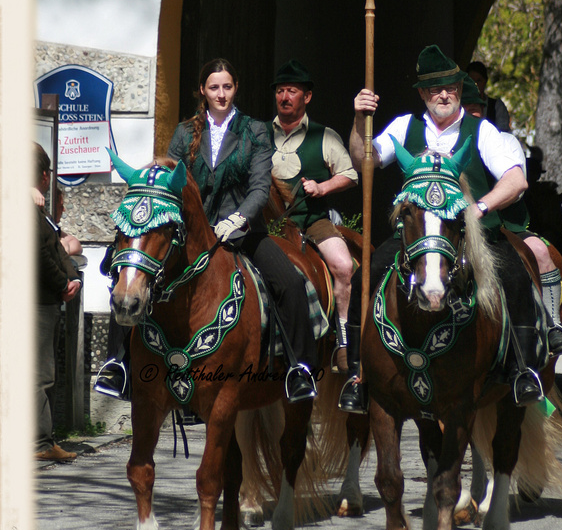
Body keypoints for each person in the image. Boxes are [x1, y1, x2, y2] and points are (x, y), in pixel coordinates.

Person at [339, 45, 562, 414]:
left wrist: (480, 206)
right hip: (416, 239)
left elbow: (516, 180)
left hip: (476, 235)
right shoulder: (404, 126)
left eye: (450, 87)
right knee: (364, 277)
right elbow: (362, 160)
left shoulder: (483, 131)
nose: (443, 94)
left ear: (461, 91)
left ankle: (523, 372)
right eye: (434, 89)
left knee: (514, 279)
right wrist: (358, 119)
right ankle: (357, 375)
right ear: (422, 94)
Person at [96, 59, 319, 404]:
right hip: (195, 234)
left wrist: (239, 218)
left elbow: (260, 188)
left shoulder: (255, 130)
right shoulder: (186, 132)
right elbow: (171, 175)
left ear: (236, 88)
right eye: (214, 87)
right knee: (127, 269)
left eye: (227, 87)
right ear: (203, 90)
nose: (221, 94)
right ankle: (117, 364)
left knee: (289, 283)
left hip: (243, 232)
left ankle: (298, 369)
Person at [268, 60, 358, 371]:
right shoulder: (258, 135)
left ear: (306, 97)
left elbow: (349, 174)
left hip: (313, 220)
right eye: (280, 91)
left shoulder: (325, 136)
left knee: (345, 267)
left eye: (292, 91)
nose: (284, 97)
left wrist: (323, 186)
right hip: (269, 226)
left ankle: (344, 341)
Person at [35, 143, 81, 462]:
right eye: (49, 172)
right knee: (40, 374)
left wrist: (70, 276)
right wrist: (63, 282)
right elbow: (38, 255)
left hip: (48, 298)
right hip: (36, 301)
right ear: (42, 175)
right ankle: (39, 443)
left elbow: (60, 248)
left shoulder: (38, 208)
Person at [466, 60, 511, 132]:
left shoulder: (496, 106)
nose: (475, 85)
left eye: (479, 80)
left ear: (485, 81)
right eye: (471, 81)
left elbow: (503, 132)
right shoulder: (458, 105)